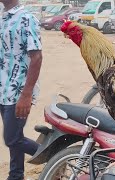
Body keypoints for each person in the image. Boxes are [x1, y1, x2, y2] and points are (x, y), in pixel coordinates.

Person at [0, 0, 42, 179]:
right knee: (15, 136)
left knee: (12, 139)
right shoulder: (4, 17)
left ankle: (54, 155)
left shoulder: (26, 18)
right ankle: (16, 175)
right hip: (3, 88)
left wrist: (26, 94)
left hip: (18, 91)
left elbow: (37, 57)